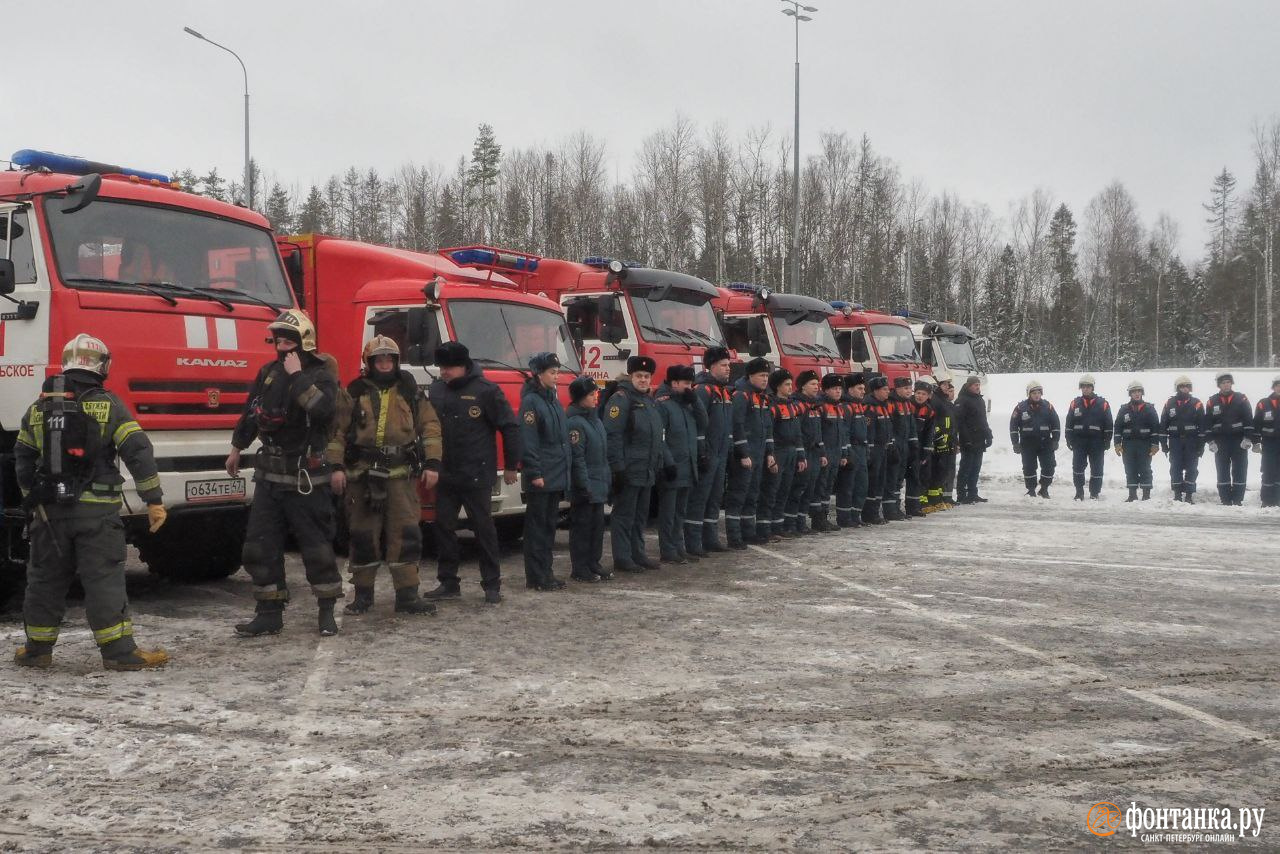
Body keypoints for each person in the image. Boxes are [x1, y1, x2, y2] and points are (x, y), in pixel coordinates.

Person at [13, 334, 170, 671]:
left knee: (44, 579)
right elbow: (137, 450)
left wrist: (32, 503)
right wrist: (153, 500)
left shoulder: (39, 407)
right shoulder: (108, 404)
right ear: (101, 365)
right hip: (97, 514)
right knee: (103, 578)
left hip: (49, 514)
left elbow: (23, 458)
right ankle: (119, 653)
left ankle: (36, 650)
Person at [229, 309, 344, 637]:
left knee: (316, 548)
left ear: (302, 343)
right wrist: (237, 447)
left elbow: (323, 411)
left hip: (306, 478)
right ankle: (268, 612)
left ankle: (326, 613)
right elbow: (252, 412)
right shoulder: (268, 372)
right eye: (278, 339)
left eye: (288, 339)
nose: (282, 345)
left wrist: (297, 377)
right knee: (259, 546)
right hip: (269, 477)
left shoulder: (320, 373)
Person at [328, 335, 442, 617]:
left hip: (401, 479)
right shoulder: (353, 393)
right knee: (363, 536)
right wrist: (336, 467)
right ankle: (363, 596)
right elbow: (336, 433)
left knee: (406, 535)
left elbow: (430, 427)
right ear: (369, 363)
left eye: (389, 359)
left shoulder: (411, 392)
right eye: (379, 359)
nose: (384, 364)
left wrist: (433, 464)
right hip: (362, 478)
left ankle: (407, 596)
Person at [424, 342, 520, 604]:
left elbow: (509, 427)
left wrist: (512, 465)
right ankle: (448, 582)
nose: (444, 372)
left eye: (449, 367)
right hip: (446, 474)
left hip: (476, 473)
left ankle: (491, 584)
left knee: (483, 529)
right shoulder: (436, 390)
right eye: (441, 367)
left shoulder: (486, 391)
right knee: (443, 528)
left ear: (464, 366)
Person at [606, 356, 665, 571]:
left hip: (646, 470)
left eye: (647, 376)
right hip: (629, 469)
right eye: (639, 376)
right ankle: (622, 557)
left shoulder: (649, 401)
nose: (643, 380)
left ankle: (637, 554)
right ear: (630, 376)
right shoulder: (621, 399)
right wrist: (617, 468)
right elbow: (613, 435)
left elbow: (656, 435)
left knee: (640, 516)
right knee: (624, 515)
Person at [519, 352, 570, 591]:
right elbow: (529, 441)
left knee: (549, 527)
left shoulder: (553, 400)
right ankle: (536, 575)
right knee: (537, 528)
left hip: (555, 473)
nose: (556, 376)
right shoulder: (531, 402)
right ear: (539, 374)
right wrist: (535, 472)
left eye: (557, 372)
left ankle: (546, 572)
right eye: (552, 372)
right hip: (542, 475)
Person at [687, 347, 734, 556]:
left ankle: (710, 538)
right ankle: (693, 542)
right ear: (711, 366)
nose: (728, 370)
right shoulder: (703, 390)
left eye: (729, 366)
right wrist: (701, 452)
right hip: (708, 453)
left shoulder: (724, 391)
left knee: (715, 496)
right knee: (700, 497)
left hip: (721, 453)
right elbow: (697, 423)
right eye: (724, 365)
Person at [655, 364, 704, 563]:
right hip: (672, 467)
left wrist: (696, 401)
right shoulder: (663, 404)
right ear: (674, 383)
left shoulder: (687, 403)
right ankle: (668, 550)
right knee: (668, 512)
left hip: (687, 466)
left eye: (691, 383)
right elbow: (661, 437)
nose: (689, 387)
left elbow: (704, 422)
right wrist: (668, 462)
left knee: (680, 512)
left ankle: (678, 547)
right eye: (686, 383)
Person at [724, 358, 773, 549]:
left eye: (767, 376)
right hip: (745, 455)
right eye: (761, 375)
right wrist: (743, 453)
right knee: (738, 495)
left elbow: (767, 427)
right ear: (750, 376)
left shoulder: (762, 397)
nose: (765, 380)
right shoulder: (741, 396)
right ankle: (734, 536)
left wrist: (769, 453)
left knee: (752, 494)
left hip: (759, 453)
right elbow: (738, 425)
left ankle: (748, 532)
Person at [566, 377, 611, 581]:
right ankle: (580, 567)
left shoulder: (596, 420)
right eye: (591, 394)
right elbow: (578, 458)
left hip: (599, 483)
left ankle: (594, 562)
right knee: (582, 528)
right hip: (585, 487)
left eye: (596, 394)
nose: (595, 397)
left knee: (597, 527)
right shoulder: (575, 423)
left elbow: (602, 455)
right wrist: (584, 485)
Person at [761, 369, 801, 539]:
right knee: (771, 491)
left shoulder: (792, 406)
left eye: (791, 384)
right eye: (787, 384)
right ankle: (764, 528)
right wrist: (771, 455)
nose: (790, 387)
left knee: (784, 490)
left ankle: (777, 526)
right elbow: (768, 432)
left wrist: (801, 456)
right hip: (778, 451)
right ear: (778, 386)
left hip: (791, 452)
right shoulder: (772, 406)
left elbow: (798, 433)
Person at [1205, 372, 1253, 506]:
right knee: (1222, 470)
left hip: (1239, 441)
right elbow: (1207, 423)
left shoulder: (1241, 399)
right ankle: (1225, 499)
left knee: (1240, 469)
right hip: (1220, 442)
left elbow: (1249, 419)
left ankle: (1238, 499)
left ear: (1231, 383)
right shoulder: (1212, 401)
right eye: (1223, 383)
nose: (1226, 385)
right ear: (1219, 385)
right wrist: (1210, 441)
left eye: (1228, 382)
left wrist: (1248, 438)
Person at [1064, 374, 1113, 501]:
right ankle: (1079, 491)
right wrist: (1069, 438)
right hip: (1079, 441)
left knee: (1097, 468)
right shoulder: (1075, 403)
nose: (1085, 389)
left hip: (1097, 442)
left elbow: (1108, 423)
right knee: (1078, 467)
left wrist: (1107, 440)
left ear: (1092, 388)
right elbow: (1069, 423)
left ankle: (1094, 493)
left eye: (1088, 387)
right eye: (1083, 387)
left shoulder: (1103, 404)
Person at [1009, 379, 1060, 498]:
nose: (1037, 395)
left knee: (1049, 466)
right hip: (1027, 444)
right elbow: (1013, 426)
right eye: (1034, 393)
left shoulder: (1048, 406)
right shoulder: (1020, 408)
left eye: (1038, 393)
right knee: (1029, 467)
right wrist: (1015, 443)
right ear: (1029, 394)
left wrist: (1055, 440)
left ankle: (1044, 488)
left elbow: (1056, 424)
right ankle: (1031, 489)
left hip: (1045, 443)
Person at [790, 370, 826, 535]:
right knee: (799, 489)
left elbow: (819, 432)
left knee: (809, 488)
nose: (816, 387)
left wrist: (822, 452)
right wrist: (801, 454)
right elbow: (797, 432)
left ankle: (802, 522)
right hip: (803, 452)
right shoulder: (798, 405)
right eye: (812, 384)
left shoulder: (815, 406)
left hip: (814, 452)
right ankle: (792, 523)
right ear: (803, 386)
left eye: (817, 384)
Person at [1159, 375, 1205, 503]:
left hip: (1192, 441)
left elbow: (1202, 425)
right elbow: (1163, 424)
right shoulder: (1169, 403)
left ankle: (1189, 494)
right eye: (1182, 386)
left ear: (1190, 388)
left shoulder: (1197, 403)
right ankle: (1177, 494)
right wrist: (1163, 443)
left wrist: (1201, 445)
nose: (1184, 389)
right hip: (1175, 441)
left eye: (1186, 386)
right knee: (1175, 467)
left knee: (1192, 468)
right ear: (1177, 388)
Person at [1114, 380, 1161, 502]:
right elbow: (1118, 427)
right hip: (1128, 445)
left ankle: (1146, 495)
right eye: (1134, 391)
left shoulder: (1149, 409)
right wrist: (1117, 443)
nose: (1136, 394)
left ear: (1142, 393)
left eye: (1139, 391)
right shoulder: (1124, 409)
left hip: (1144, 444)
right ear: (1130, 394)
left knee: (1145, 468)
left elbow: (1156, 428)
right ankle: (1132, 494)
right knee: (1130, 468)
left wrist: (1155, 444)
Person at [814, 373, 849, 531]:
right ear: (826, 390)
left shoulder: (839, 408)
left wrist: (843, 453)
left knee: (828, 486)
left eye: (840, 389)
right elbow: (818, 432)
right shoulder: (821, 406)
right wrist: (822, 452)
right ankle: (818, 518)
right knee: (820, 486)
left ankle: (824, 516)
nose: (838, 392)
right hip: (825, 452)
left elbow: (842, 432)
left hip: (835, 452)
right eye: (834, 388)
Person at [836, 373, 870, 527]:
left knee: (861, 484)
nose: (863, 391)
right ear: (850, 389)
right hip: (852, 449)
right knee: (848, 485)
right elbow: (844, 432)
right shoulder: (846, 407)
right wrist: (847, 453)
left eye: (864, 388)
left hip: (861, 449)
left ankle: (855, 515)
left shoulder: (859, 407)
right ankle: (844, 517)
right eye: (860, 388)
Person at [883, 377, 918, 519]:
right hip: (895, 446)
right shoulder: (891, 403)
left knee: (899, 478)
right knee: (891, 478)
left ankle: (896, 508)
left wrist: (914, 442)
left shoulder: (907, 404)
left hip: (904, 447)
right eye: (906, 388)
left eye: (910, 388)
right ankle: (889, 510)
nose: (909, 391)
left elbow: (911, 425)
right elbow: (889, 424)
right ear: (897, 389)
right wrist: (891, 443)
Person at [861, 374, 892, 525]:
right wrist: (871, 450)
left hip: (883, 449)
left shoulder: (883, 406)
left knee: (880, 481)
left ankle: (875, 512)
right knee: (873, 482)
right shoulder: (869, 407)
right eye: (885, 389)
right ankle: (869, 514)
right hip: (875, 450)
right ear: (875, 391)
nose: (888, 392)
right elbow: (869, 430)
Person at [955, 376, 991, 504]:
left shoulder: (979, 400)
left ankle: (972, 493)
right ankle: (961, 494)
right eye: (975, 385)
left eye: (978, 385)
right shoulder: (962, 400)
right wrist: (966, 439)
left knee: (976, 467)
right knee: (966, 467)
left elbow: (983, 420)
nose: (977, 387)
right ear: (968, 386)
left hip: (979, 439)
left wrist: (988, 434)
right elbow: (960, 422)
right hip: (968, 439)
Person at [926, 374, 959, 511]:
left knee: (941, 472)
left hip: (946, 441)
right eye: (945, 384)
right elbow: (934, 423)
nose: (948, 387)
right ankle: (931, 501)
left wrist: (953, 440)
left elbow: (951, 424)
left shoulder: (943, 401)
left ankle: (938, 499)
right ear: (937, 385)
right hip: (937, 442)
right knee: (934, 472)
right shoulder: (936, 401)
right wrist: (938, 438)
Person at [907, 379, 937, 515]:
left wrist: (926, 451)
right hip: (905, 446)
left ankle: (913, 507)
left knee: (915, 478)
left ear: (928, 396)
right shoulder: (907, 406)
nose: (920, 396)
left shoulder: (929, 411)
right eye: (918, 393)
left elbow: (929, 433)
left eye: (923, 394)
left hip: (918, 449)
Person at [1253, 376, 1280, 507]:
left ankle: (1278, 499)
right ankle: (1266, 500)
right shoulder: (1263, 403)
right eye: (1278, 385)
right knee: (1268, 470)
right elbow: (1256, 423)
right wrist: (1256, 442)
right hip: (1269, 443)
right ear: (1273, 387)